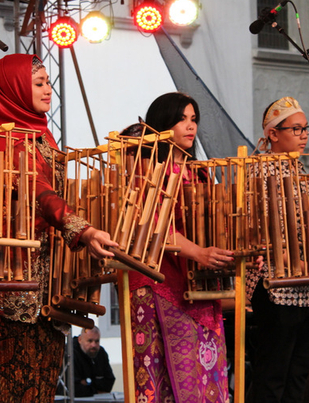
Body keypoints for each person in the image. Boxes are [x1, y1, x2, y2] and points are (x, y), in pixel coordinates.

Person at [0, 53, 117, 402]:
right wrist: (82, 230)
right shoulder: (6, 140)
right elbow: (40, 193)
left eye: (48, 83)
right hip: (17, 281)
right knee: (18, 387)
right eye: (39, 83)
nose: (48, 91)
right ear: (11, 89)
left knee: (43, 387)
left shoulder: (42, 138)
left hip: (49, 281)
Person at [128, 92, 233, 403]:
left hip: (199, 286)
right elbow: (153, 226)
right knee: (161, 381)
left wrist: (233, 253)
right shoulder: (147, 168)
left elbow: (216, 226)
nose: (190, 126)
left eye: (194, 119)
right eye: (181, 119)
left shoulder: (200, 172)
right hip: (159, 283)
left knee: (206, 379)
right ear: (162, 124)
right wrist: (198, 252)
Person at [245, 96, 309, 403]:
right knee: (273, 374)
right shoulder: (258, 171)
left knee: (299, 375)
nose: (304, 135)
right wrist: (296, 260)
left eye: (306, 129)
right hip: (276, 284)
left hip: (307, 283)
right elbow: (263, 226)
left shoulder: (302, 173)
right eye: (296, 128)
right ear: (273, 134)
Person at [71, 326, 116, 397]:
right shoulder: (70, 354)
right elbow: (73, 388)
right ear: (80, 340)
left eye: (97, 341)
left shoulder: (101, 353)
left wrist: (88, 382)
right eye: (90, 341)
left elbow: (109, 381)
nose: (93, 345)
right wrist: (96, 390)